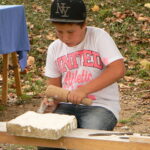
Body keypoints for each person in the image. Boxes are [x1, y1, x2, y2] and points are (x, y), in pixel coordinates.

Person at [38, 0, 125, 149]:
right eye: (59, 32)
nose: (65, 38)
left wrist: (83, 90)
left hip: (100, 106)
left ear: (84, 24)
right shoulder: (54, 48)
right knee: (47, 140)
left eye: (70, 32)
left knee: (87, 141)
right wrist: (51, 103)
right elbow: (54, 88)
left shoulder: (98, 37)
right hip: (66, 106)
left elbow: (118, 69)